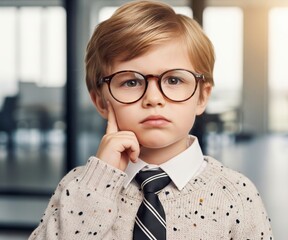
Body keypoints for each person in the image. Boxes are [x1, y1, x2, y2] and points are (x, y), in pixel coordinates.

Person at [30, 0, 273, 239]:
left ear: (202, 96)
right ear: (101, 101)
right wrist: (99, 183)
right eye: (131, 82)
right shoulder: (79, 187)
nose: (153, 98)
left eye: (174, 80)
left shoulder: (237, 194)